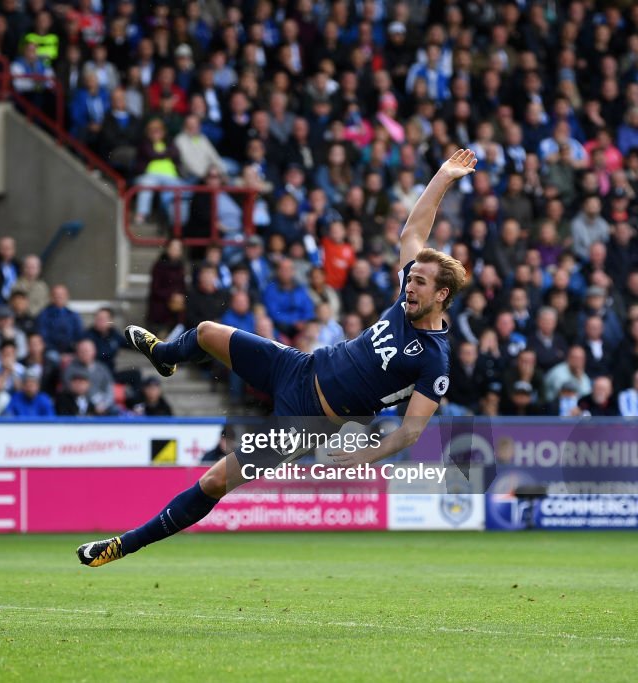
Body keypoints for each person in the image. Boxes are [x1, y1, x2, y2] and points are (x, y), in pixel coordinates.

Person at [77, 149, 477, 567]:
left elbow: (412, 431)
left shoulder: (435, 360)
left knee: (214, 480)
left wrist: (367, 455)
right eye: (409, 278)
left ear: (442, 295)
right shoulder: (404, 300)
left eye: (419, 282)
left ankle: (122, 545)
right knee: (209, 332)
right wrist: (443, 177)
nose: (409, 286)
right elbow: (413, 230)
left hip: (307, 423)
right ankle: (164, 355)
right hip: (299, 367)